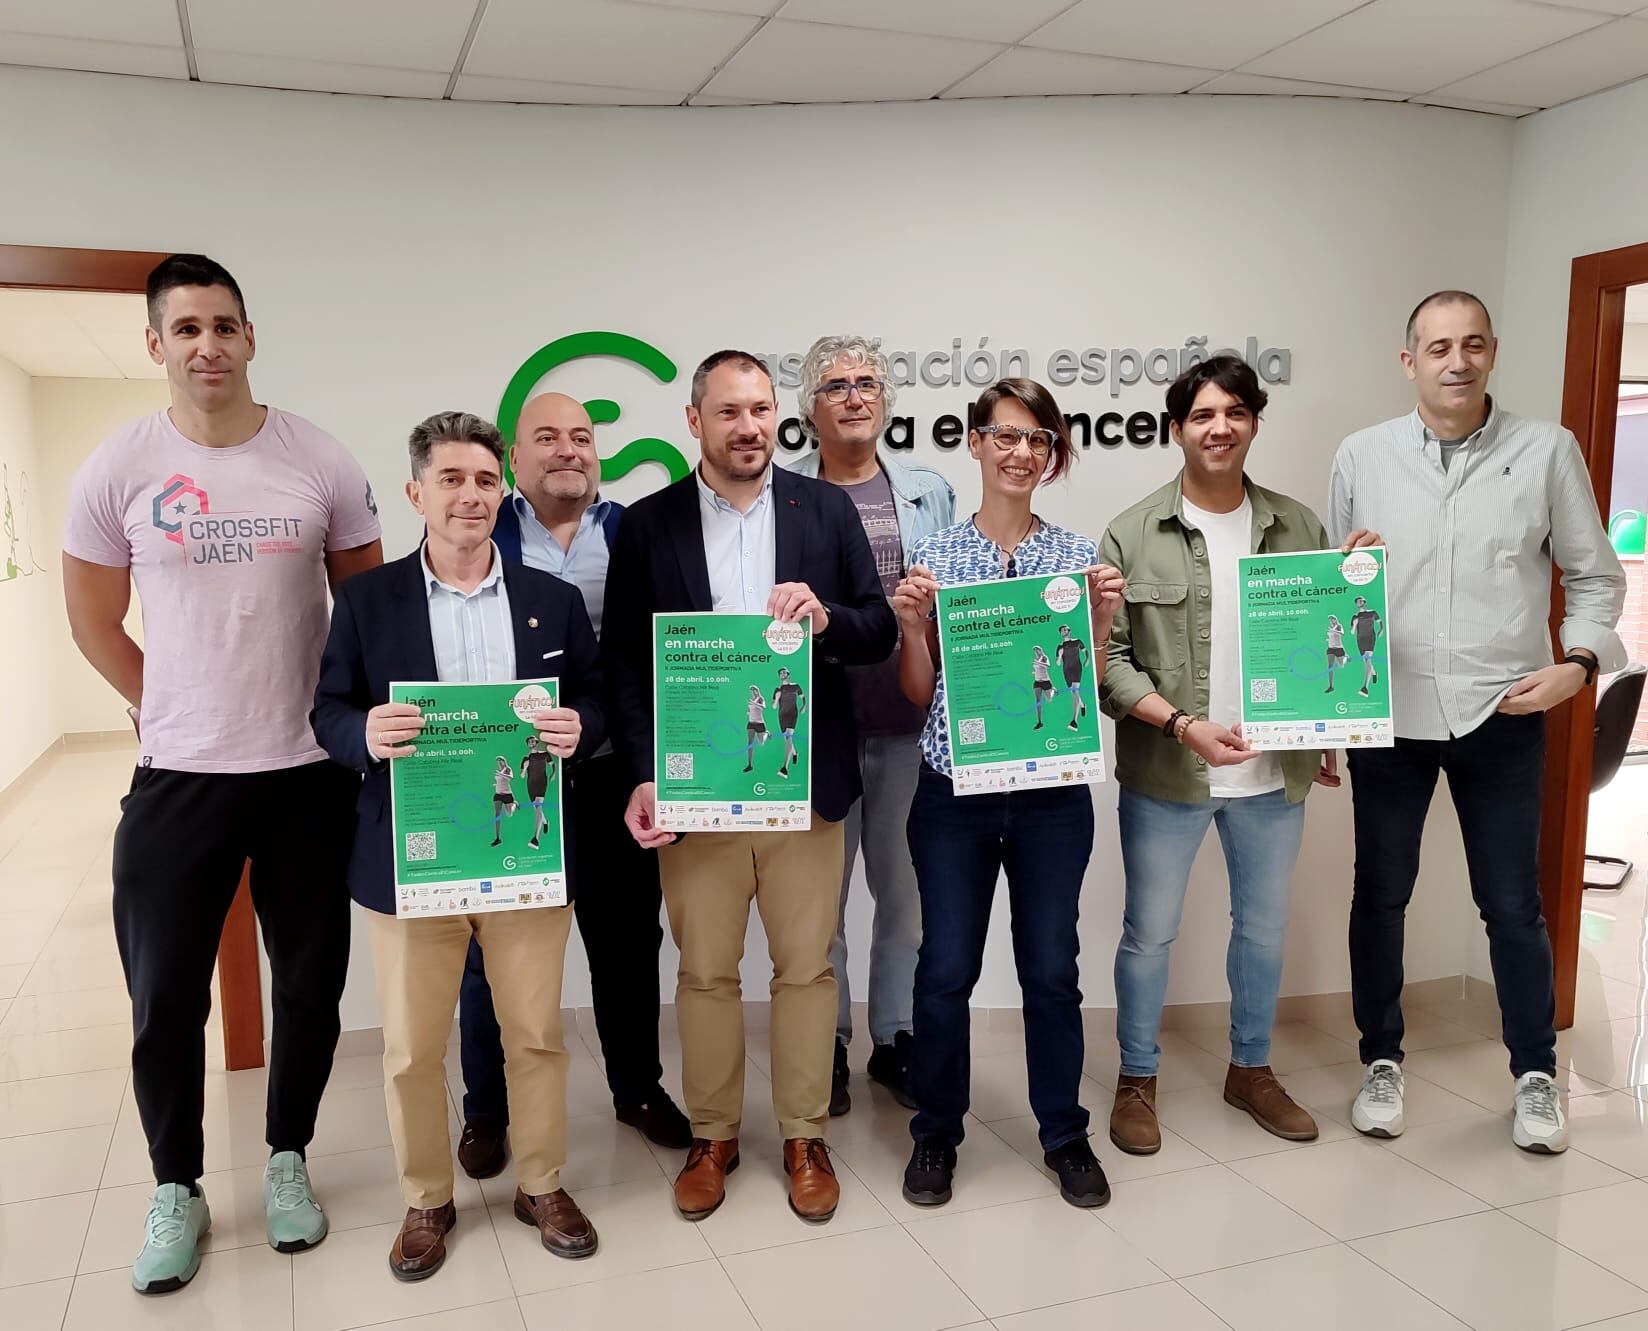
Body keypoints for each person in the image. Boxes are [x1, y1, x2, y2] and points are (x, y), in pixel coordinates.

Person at [61, 254, 382, 1294]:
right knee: (162, 996)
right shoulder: (116, 468)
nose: (208, 344)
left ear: (250, 338)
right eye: (186, 327)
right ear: (156, 343)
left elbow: (367, 618)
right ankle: (176, 1184)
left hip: (305, 773)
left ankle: (287, 1155)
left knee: (311, 986)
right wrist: (168, 706)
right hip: (179, 777)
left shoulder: (318, 459)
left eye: (225, 325)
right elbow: (93, 622)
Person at [1330, 290, 1626, 1153]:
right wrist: (1345, 574)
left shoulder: (1547, 452)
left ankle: (1535, 1073)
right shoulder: (1362, 455)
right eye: (1436, 347)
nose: (1455, 362)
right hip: (1391, 713)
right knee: (1379, 898)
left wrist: (1576, 668)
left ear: (1493, 351)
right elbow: (1333, 592)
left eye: (1471, 345)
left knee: (1512, 905)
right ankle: (1380, 1060)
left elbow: (1596, 575)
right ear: (1408, 359)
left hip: (1504, 709)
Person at [311, 411, 604, 1280]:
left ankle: (541, 1182)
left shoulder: (551, 600)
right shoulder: (367, 601)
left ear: (501, 489)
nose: (470, 495)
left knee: (537, 1034)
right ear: (416, 493)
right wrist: (361, 729)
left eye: (483, 480)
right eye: (450, 479)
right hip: (415, 857)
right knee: (410, 1045)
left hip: (525, 853)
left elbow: (591, 700)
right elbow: (324, 710)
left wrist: (576, 729)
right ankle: (427, 1197)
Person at [605, 350, 897, 1222]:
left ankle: (805, 1133)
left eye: (762, 409)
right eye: (729, 411)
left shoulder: (826, 508)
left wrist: (827, 617)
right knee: (704, 972)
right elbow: (624, 658)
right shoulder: (649, 524)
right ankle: (714, 1135)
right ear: (694, 421)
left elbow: (878, 627)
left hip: (802, 785)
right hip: (697, 794)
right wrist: (643, 772)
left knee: (807, 969)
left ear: (780, 418)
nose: (749, 427)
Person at [893, 378, 1124, 1210]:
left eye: (1039, 440)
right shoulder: (939, 558)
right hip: (953, 790)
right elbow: (921, 692)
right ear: (978, 443)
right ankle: (936, 1134)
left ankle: (1063, 1131)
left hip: (1052, 796)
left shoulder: (1074, 556)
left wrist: (1098, 625)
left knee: (1051, 969)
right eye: (1007, 436)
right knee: (946, 967)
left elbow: (1083, 688)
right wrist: (914, 624)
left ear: (1052, 455)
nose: (1022, 452)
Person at [1098, 355, 1338, 1158]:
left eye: (1234, 411)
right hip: (1170, 772)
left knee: (1264, 931)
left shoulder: (1299, 526)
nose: (1219, 426)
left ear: (1255, 423)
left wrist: (1328, 727)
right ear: (1177, 429)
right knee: (1149, 934)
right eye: (1202, 414)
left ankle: (1251, 1068)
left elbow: (1324, 642)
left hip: (1274, 776)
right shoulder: (1133, 531)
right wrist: (1184, 725)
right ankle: (1137, 1077)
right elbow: (1110, 662)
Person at [455, 392, 691, 1181]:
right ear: (515, 459)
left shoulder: (631, 531)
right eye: (547, 437)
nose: (568, 450)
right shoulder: (483, 530)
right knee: (492, 955)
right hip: (512, 780)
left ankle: (638, 1088)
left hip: (610, 777)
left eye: (582, 437)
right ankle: (486, 1109)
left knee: (627, 944)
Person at [790, 334, 956, 1115]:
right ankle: (826, 1042)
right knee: (819, 903)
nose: (854, 395)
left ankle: (895, 1036)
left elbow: (959, 600)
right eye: (835, 386)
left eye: (866, 383)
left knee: (905, 894)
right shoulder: (786, 499)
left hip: (909, 723)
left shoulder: (928, 488)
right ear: (808, 410)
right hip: (817, 729)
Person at [521, 735, 553, 848]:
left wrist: (553, 773)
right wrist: (525, 768)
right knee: (537, 809)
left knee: (538, 807)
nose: (531, 742)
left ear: (536, 742)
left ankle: (535, 839)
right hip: (530, 785)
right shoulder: (525, 758)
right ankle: (545, 822)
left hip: (541, 782)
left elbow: (552, 764)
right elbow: (522, 775)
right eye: (529, 741)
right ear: (528, 744)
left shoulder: (544, 753)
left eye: (532, 740)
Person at [773, 666, 806, 777]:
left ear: (788, 674)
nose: (782, 674)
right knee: (787, 739)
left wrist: (804, 706)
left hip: (792, 714)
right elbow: (773, 706)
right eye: (780, 673)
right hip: (782, 715)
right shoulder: (777, 689)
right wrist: (777, 698)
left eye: (784, 672)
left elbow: (803, 697)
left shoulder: (795, 686)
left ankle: (784, 768)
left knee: (788, 737)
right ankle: (795, 753)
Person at [1055, 623, 1089, 731]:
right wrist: (1060, 655)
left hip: (1076, 668)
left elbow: (1085, 651)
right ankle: (1083, 705)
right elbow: (1058, 663)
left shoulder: (1077, 641)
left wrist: (1087, 659)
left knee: (1074, 692)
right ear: (1060, 633)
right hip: (1066, 671)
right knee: (1074, 693)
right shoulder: (1060, 647)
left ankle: (1074, 721)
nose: (1064, 631)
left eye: (1065, 630)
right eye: (1062, 630)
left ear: (1069, 631)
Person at [1350, 595, 1383, 696]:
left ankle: (1365, 687)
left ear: (1364, 602)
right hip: (1360, 639)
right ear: (1356, 604)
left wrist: (1381, 629)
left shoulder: (1372, 612)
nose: (1359, 602)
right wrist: (1355, 624)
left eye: (1361, 601)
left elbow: (1380, 621)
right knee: (1366, 661)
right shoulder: (1355, 617)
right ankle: (1374, 673)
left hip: (1370, 638)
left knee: (1368, 659)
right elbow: (1352, 632)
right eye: (1357, 602)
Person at [490, 756, 517, 847]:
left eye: (501, 761)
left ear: (504, 761)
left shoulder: (507, 769)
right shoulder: (498, 771)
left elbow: (511, 778)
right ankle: (498, 838)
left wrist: (501, 774)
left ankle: (514, 805)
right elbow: (500, 781)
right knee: (497, 815)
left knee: (509, 814)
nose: (499, 763)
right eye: (498, 761)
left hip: (507, 794)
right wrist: (496, 784)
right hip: (498, 795)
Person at [743, 685, 768, 773]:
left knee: (761, 743)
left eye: (754, 690)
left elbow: (763, 707)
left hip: (760, 724)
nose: (753, 692)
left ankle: (767, 734)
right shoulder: (751, 700)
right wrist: (749, 713)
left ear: (758, 690)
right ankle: (749, 765)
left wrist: (754, 703)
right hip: (751, 724)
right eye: (752, 691)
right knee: (750, 744)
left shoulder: (760, 698)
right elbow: (752, 710)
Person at [1032, 645, 1054, 729]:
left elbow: (1048, 665)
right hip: (1037, 682)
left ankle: (1052, 691)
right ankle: (1039, 722)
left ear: (1041, 650)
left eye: (1038, 650)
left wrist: (1038, 662)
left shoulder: (1044, 657)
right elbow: (1038, 669)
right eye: (1035, 651)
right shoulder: (1036, 659)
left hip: (1046, 682)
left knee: (1049, 699)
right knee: (1038, 701)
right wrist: (1034, 672)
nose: (1036, 652)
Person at [1325, 615, 1346, 694]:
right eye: (1330, 619)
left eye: (1332, 619)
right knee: (1330, 667)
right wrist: (1328, 639)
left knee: (1341, 666)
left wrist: (1334, 631)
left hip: (1339, 649)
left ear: (1335, 619)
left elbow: (1342, 634)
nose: (1331, 621)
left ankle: (1345, 658)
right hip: (1330, 649)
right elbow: (1331, 637)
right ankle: (1330, 686)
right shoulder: (1330, 627)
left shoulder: (1339, 626)